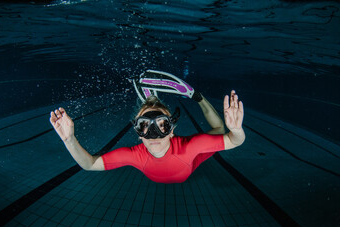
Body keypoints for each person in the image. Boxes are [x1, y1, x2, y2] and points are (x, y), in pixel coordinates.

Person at [50, 71, 245, 184]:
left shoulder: (191, 147)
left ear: (172, 130)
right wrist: (69, 140)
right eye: (144, 126)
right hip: (185, 165)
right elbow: (89, 165)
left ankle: (198, 97)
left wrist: (236, 130)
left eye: (162, 125)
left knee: (220, 131)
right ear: (137, 133)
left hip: (191, 162)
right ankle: (195, 98)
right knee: (218, 133)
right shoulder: (135, 155)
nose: (154, 134)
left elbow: (236, 140)